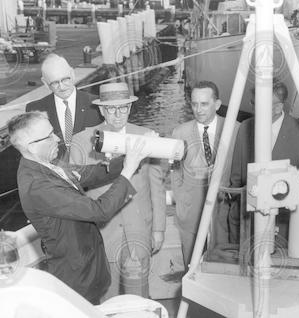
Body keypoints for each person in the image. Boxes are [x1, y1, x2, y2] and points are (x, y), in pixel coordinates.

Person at [8, 111, 148, 304]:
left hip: (87, 270)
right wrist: (128, 170)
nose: (57, 138)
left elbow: (91, 173)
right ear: (29, 146)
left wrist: (129, 157)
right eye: (49, 136)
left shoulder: (47, 164)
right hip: (76, 279)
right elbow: (99, 211)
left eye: (53, 132)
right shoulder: (37, 186)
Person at [70, 82, 166, 299]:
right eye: (111, 109)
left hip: (139, 233)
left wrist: (159, 228)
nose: (117, 114)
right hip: (103, 235)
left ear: (130, 108)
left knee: (139, 300)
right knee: (107, 299)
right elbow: (77, 197)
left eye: (123, 108)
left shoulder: (148, 137)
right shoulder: (81, 142)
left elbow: (157, 186)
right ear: (101, 110)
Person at [228, 81, 299, 244]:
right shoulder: (245, 128)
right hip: (248, 224)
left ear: (278, 108)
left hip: (286, 228)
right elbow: (236, 178)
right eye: (253, 103)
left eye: (258, 104)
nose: (253, 109)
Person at [171, 80, 239, 270]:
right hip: (191, 213)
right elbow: (175, 174)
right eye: (194, 104)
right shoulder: (179, 133)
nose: (198, 110)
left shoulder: (236, 130)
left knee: (225, 269)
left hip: (224, 213)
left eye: (204, 104)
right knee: (192, 268)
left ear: (217, 104)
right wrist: (182, 202)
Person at [26, 53, 103, 161]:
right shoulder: (34, 110)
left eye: (65, 79)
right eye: (54, 83)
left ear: (72, 73)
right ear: (45, 83)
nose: (62, 87)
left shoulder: (97, 104)